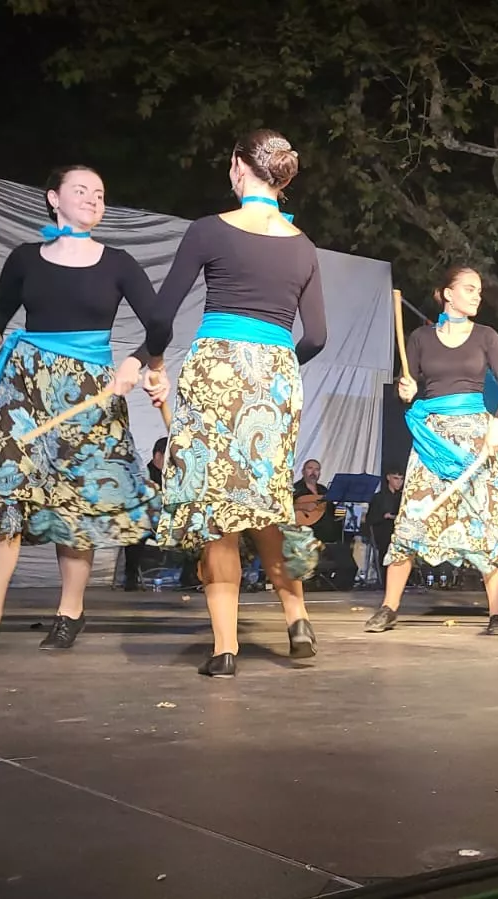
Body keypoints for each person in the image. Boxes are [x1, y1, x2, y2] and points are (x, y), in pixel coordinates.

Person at [0, 164, 166, 655]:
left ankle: (70, 612)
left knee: (79, 502)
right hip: (24, 389)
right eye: (81, 190)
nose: (92, 198)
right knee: (6, 495)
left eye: (100, 193)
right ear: (54, 198)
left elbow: (159, 324)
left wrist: (135, 364)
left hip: (90, 394)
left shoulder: (118, 263)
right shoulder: (26, 258)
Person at [148, 128, 328, 677]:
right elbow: (316, 337)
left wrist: (154, 363)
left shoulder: (210, 230)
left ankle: (225, 650)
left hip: (218, 371)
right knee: (266, 500)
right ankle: (295, 615)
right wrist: (274, 373)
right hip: (275, 377)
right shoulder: (303, 246)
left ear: (236, 166)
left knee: (217, 510)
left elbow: (162, 314)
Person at [365, 267, 498, 635]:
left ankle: (497, 612)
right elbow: (409, 389)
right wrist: (404, 392)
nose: (476, 296)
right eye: (469, 289)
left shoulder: (486, 335)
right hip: (431, 439)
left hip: (476, 440)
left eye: (479, 290)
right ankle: (389, 607)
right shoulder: (420, 338)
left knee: (487, 521)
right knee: (414, 516)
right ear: (447, 293)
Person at [122, 437, 168, 591]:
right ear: (157, 456)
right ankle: (131, 576)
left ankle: (191, 575)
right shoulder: (143, 476)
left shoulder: (173, 477)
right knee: (136, 530)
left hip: (169, 522)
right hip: (148, 523)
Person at [365, 466, 405, 567]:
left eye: (401, 479)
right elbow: (370, 519)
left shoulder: (403, 496)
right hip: (382, 531)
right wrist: (385, 516)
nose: (399, 482)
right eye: (395, 478)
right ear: (388, 478)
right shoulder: (379, 497)